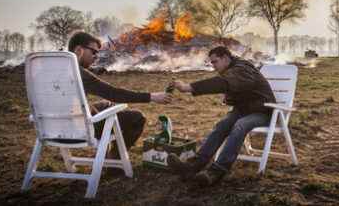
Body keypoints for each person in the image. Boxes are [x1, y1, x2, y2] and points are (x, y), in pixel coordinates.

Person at [166, 46, 276, 186]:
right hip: (243, 110)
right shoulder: (231, 69)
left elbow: (222, 83)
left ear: (225, 58)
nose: (213, 66)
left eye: (215, 62)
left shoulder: (242, 69)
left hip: (263, 112)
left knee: (240, 125)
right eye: (211, 63)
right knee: (222, 125)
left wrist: (189, 87)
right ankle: (193, 165)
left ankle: (216, 172)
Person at [68, 31, 171, 158]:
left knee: (108, 104)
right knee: (137, 118)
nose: (96, 56)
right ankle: (114, 161)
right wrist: (152, 96)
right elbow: (114, 93)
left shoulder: (45, 70)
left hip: (54, 129)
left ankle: (107, 153)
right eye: (93, 52)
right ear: (79, 50)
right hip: (80, 130)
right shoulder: (79, 73)